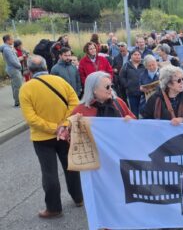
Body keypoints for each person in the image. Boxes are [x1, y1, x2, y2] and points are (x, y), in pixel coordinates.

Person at [19, 55, 83, 218]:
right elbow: (75, 104)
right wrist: (65, 125)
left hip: (42, 138)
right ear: (46, 67)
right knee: (72, 168)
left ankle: (54, 208)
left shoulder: (26, 88)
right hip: (66, 135)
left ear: (29, 70)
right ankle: (79, 198)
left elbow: (31, 118)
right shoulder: (60, 81)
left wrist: (54, 129)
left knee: (49, 173)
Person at [71, 71, 135, 118]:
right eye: (107, 87)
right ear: (94, 89)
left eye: (111, 86)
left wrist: (129, 120)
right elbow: (70, 131)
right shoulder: (80, 110)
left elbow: (134, 122)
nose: (111, 89)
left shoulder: (118, 102)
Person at [120, 50, 145, 118]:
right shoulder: (126, 65)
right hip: (132, 92)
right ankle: (135, 124)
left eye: (138, 54)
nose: (137, 56)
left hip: (144, 93)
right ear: (131, 56)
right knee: (134, 111)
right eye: (135, 54)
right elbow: (122, 77)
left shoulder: (144, 64)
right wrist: (127, 85)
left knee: (144, 110)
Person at [0, 34, 23, 107]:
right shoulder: (7, 49)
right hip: (14, 69)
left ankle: (17, 101)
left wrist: (20, 59)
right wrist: (19, 66)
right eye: (12, 39)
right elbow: (12, 61)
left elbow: (13, 59)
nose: (13, 40)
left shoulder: (7, 48)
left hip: (12, 68)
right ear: (7, 40)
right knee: (18, 86)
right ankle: (18, 102)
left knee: (15, 86)